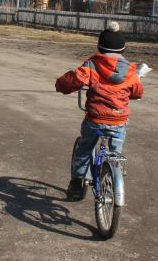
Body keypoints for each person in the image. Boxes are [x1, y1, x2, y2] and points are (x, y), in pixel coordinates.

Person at [55, 22, 144, 201]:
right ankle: (111, 174)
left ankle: (77, 183)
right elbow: (137, 92)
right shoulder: (131, 71)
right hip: (118, 120)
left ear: (99, 47)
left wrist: (61, 84)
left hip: (95, 118)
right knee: (115, 153)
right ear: (123, 49)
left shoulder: (92, 65)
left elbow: (71, 81)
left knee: (85, 147)